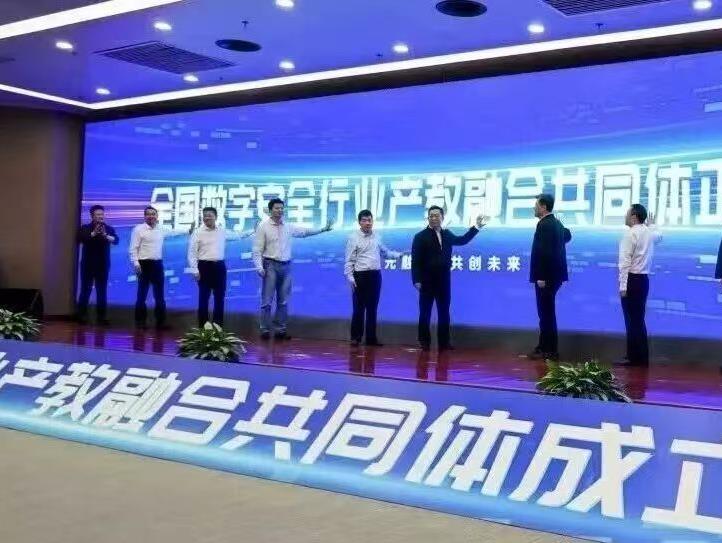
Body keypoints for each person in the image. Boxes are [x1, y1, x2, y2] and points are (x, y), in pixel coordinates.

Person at [252, 198, 333, 340]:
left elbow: (304, 232)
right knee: (267, 301)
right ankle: (264, 329)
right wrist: (259, 266)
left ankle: (280, 330)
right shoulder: (263, 227)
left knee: (283, 300)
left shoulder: (288, 226)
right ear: (270, 210)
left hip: (286, 266)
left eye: (281, 208)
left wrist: (323, 229)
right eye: (276, 208)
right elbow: (257, 250)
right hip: (270, 265)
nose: (280, 210)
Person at [411, 206, 488, 351]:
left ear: (442, 217)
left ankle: (444, 342)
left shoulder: (446, 234)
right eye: (431, 216)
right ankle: (424, 341)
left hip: (444, 280)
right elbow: (415, 261)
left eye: (436, 215)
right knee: (425, 312)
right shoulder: (420, 236)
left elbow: (462, 240)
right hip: (426, 281)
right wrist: (416, 280)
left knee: (444, 312)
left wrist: (477, 227)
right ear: (428, 218)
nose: (434, 218)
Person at [188, 207, 254, 328]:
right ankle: (203, 327)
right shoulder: (197, 232)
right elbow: (192, 253)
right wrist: (194, 269)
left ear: (216, 217)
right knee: (203, 298)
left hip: (219, 267)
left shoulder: (222, 231)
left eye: (210, 215)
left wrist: (253, 230)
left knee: (219, 298)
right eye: (205, 215)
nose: (207, 218)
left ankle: (218, 326)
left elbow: (237, 236)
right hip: (203, 267)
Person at [344, 209, 401, 347]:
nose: (367, 223)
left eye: (369, 220)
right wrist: (350, 278)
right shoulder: (353, 238)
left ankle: (371, 339)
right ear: (359, 222)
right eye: (364, 220)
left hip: (375, 275)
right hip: (360, 275)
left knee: (372, 308)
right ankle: (355, 338)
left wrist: (397, 255)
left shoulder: (377, 236)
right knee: (358, 308)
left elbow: (385, 252)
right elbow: (349, 260)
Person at [129, 206, 188, 330]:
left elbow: (174, 232)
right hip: (143, 265)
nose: (151, 216)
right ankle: (140, 322)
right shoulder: (138, 229)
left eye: (153, 214)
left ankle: (160, 323)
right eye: (148, 214)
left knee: (159, 296)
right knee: (142, 296)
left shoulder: (161, 229)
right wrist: (136, 264)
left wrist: (188, 230)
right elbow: (133, 248)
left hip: (157, 265)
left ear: (157, 216)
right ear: (144, 216)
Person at [528, 193, 572, 362]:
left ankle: (548, 350)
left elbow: (544, 253)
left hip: (546, 277)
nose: (534, 208)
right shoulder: (555, 223)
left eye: (536, 205)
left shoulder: (545, 224)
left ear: (544, 207)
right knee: (547, 313)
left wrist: (541, 276)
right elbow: (568, 235)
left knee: (545, 314)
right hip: (555, 277)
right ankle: (545, 347)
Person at [617, 204, 661, 366]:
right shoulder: (649, 232)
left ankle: (633, 357)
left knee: (631, 320)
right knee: (639, 319)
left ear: (634, 217)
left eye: (628, 214)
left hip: (631, 280)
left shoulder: (630, 234)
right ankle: (641, 357)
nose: (625, 217)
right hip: (643, 280)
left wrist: (623, 286)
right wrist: (653, 225)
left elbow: (624, 262)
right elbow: (659, 236)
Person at [76, 205, 118, 325]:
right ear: (92, 216)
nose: (100, 217)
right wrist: (94, 233)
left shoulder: (108, 228)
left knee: (102, 291)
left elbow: (116, 240)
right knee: (85, 290)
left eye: (102, 214)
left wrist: (105, 235)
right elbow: (81, 239)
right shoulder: (85, 228)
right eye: (98, 215)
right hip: (87, 265)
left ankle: (101, 317)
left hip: (103, 265)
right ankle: (81, 316)